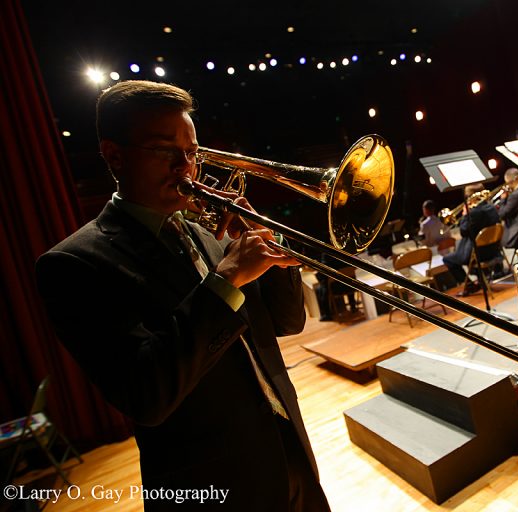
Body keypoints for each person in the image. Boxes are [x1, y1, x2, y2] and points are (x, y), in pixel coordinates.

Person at [35, 80, 331, 510]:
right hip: (211, 483)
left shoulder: (203, 234)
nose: (185, 166)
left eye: (192, 152)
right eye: (163, 150)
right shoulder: (73, 265)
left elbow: (286, 324)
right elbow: (146, 395)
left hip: (288, 450)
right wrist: (226, 279)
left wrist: (271, 246)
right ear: (114, 155)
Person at [442, 183, 500, 294]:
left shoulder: (473, 213)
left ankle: (468, 285)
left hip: (477, 254)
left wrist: (464, 215)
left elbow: (463, 231)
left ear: (470, 197)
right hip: (493, 250)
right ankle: (480, 280)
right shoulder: (491, 208)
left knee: (448, 259)